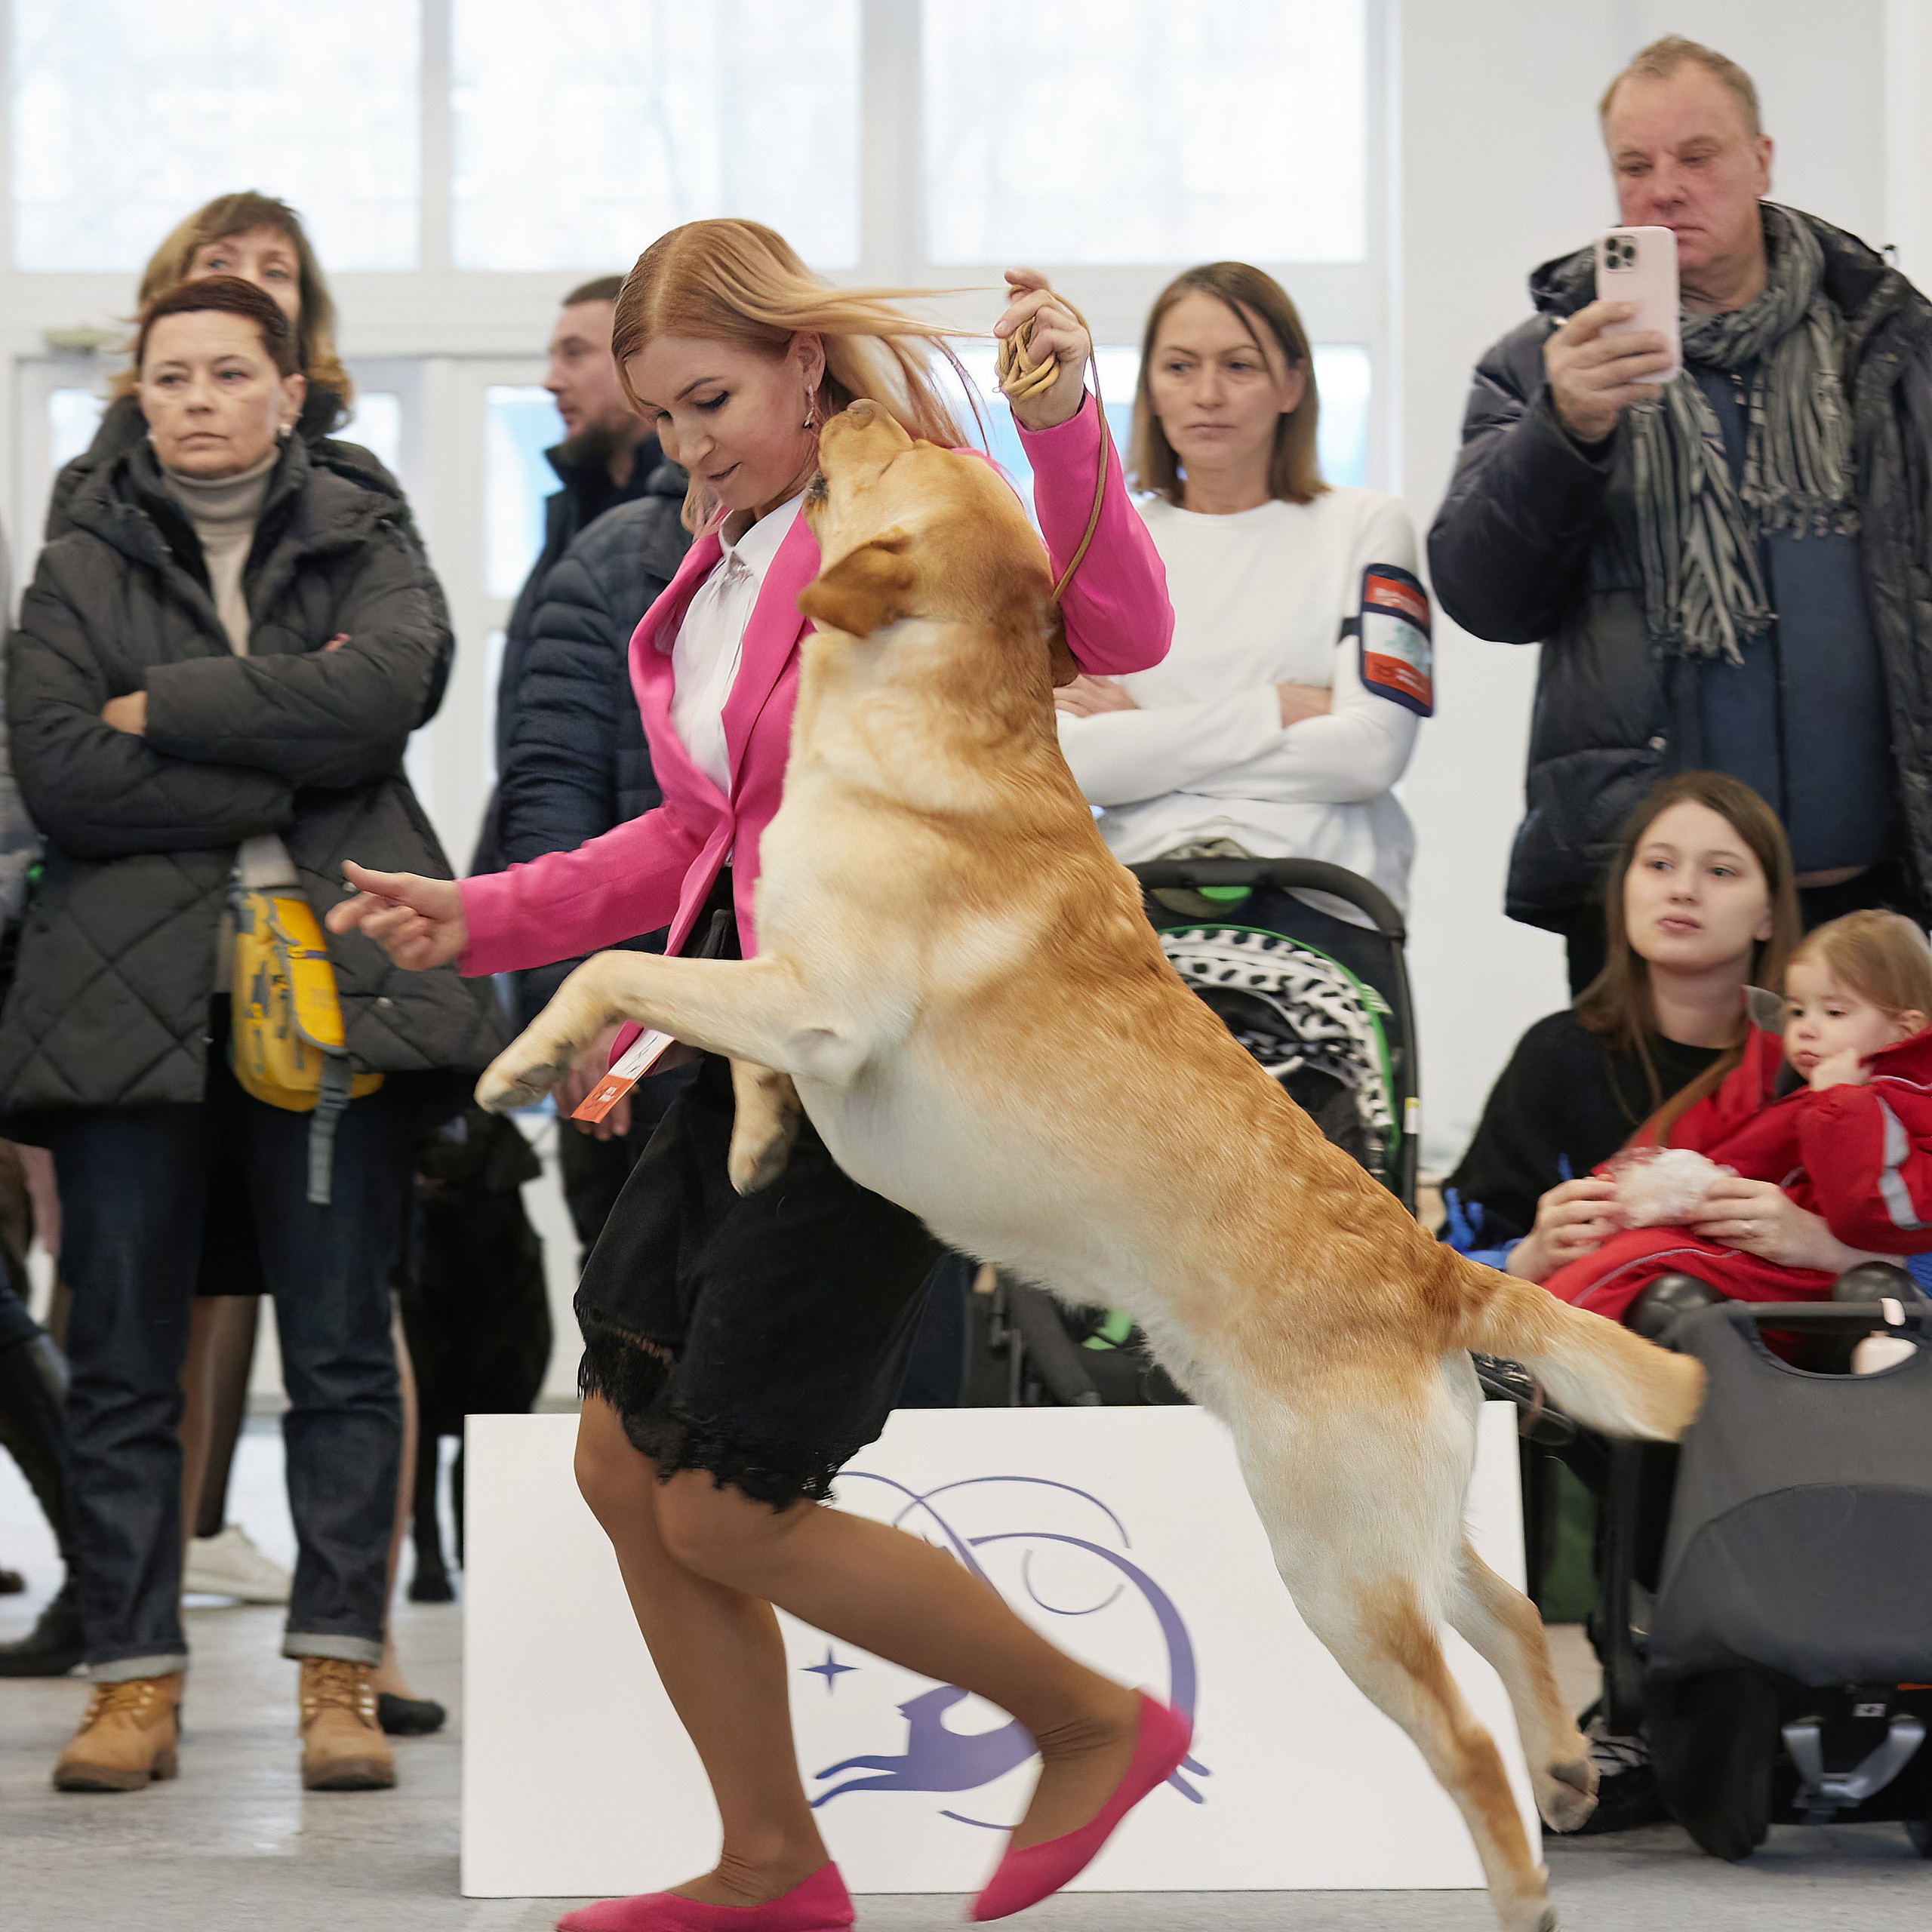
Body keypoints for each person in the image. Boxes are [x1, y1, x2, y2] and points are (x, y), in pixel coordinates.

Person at [328, 218, 1179, 1930]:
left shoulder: (925, 505)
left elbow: (1120, 625)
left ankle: (1092, 1715)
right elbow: (698, 834)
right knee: (618, 1467)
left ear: (803, 359)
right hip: (742, 1038)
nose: (684, 444)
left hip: (898, 1059)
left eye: (709, 398)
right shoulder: (711, 566)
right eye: (658, 418)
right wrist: (483, 915)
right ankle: (773, 1860)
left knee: (723, 1503)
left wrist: (1066, 416)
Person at [0, 276, 500, 1793]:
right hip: (125, 1007)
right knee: (126, 1356)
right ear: (138, 394)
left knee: (345, 1349)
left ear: (290, 389)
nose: (202, 398)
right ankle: (133, 1681)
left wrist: (174, 710)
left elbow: (387, 695)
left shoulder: (363, 523)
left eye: (232, 372)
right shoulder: (77, 555)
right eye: (174, 376)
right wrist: (281, 767)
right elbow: (63, 772)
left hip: (338, 982)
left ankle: (338, 1675)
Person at [1427, 35, 1932, 995]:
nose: (1664, 190)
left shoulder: (1890, 350)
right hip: (1653, 917)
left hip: (1869, 904)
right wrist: (1562, 431)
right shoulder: (1541, 365)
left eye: (1696, 158)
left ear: (1761, 161)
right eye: (1634, 166)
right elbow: (1482, 596)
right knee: (1655, 1154)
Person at [1056, 261, 1426, 921]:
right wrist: (1272, 711)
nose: (1207, 395)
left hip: (1326, 911)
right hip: (1137, 918)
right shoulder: (1101, 544)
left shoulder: (1368, 526)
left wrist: (1141, 736)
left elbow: (1370, 755)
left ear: (1291, 384)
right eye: (1179, 367)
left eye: (1239, 366)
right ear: (1150, 389)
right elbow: (1074, 766)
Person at [1443, 771, 1801, 1287]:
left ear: (1768, 914)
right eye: (1659, 865)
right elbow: (1442, 1266)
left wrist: (1820, 1241)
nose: (1683, 890)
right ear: (1625, 887)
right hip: (1588, 1349)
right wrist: (1531, 1256)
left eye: (1721, 872)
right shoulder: (1557, 1054)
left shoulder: (1816, 1063)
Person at [1541, 909, 1932, 1321]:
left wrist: (1840, 1100)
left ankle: (1533, 1347)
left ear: (1905, 1030)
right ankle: (1532, 1344)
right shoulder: (1820, 1096)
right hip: (1770, 1256)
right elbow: (1735, 1159)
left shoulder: (1894, 1104)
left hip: (1817, 1274)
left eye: (1834, 1013)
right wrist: (1631, 1186)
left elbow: (1874, 1214)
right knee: (1640, 1246)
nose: (1807, 1029)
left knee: (1651, 1256)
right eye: (1798, 1012)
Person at [498, 438, 691, 1258]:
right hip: (640, 1010)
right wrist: (568, 1009)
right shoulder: (611, 558)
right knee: (639, 1299)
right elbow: (552, 788)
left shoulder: (874, 537)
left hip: (838, 1004)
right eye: (673, 410)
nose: (696, 432)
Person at [473, 275, 665, 878]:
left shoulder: (702, 526)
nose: (553, 380)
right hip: (562, 874)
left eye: (575, 354)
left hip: (652, 899)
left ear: (642, 363)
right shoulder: (574, 516)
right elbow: (546, 743)